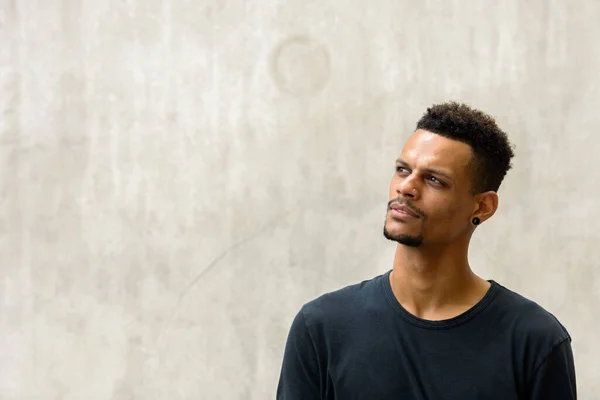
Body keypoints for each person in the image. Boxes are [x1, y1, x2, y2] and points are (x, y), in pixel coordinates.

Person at [276, 102, 576, 399]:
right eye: (402, 170)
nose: (406, 187)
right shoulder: (322, 327)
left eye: (434, 180)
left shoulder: (534, 340)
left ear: (482, 207)